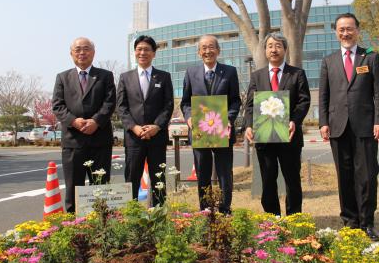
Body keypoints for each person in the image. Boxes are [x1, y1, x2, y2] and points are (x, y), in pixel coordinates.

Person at [318, 12, 379, 241]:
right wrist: (323, 122)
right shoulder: (329, 61)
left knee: (366, 176)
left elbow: (378, 93)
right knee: (344, 176)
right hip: (337, 127)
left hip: (365, 126)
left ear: (358, 30)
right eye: (341, 29)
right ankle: (350, 221)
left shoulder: (371, 57)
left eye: (349, 28)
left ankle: (367, 222)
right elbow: (324, 96)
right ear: (336, 33)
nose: (345, 33)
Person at [244, 32, 310, 216]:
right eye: (270, 46)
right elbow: (249, 104)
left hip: (289, 137)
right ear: (265, 50)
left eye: (278, 46)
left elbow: (304, 101)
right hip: (264, 138)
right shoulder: (257, 76)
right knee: (268, 179)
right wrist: (249, 125)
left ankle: (294, 218)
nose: (274, 49)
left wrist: (294, 121)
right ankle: (273, 218)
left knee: (292, 180)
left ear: (285, 49)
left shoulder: (297, 74)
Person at [52, 37, 116, 213]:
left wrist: (96, 121)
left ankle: (102, 225)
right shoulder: (62, 77)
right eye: (78, 49)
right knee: (73, 187)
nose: (82, 52)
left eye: (86, 49)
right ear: (71, 53)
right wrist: (73, 121)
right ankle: (74, 227)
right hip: (73, 142)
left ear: (93, 53)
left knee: (101, 186)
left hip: (100, 140)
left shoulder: (105, 76)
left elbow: (110, 102)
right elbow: (57, 105)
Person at [180, 34, 241, 214]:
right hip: (200, 131)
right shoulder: (191, 73)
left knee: (224, 173)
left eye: (211, 47)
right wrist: (190, 117)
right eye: (204, 48)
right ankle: (206, 208)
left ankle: (224, 208)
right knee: (203, 172)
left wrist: (228, 119)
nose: (208, 51)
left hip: (223, 130)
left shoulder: (230, 72)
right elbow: (185, 102)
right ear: (199, 52)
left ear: (218, 50)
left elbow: (236, 101)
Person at [116, 35, 174, 206]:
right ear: (135, 52)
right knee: (132, 179)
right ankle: (131, 215)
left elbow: (168, 105)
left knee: (158, 180)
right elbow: (122, 107)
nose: (143, 52)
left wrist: (157, 126)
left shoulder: (163, 77)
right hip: (134, 138)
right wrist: (134, 127)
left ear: (154, 53)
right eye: (139, 49)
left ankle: (158, 216)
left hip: (157, 137)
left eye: (147, 49)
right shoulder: (125, 77)